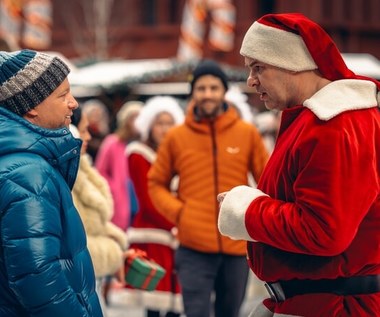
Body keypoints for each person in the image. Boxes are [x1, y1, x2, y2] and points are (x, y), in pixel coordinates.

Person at [217, 13, 380, 317]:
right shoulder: (318, 120)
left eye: (258, 67)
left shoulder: (335, 122)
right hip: (317, 301)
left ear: (292, 63)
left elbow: (324, 230)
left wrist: (247, 210)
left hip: (334, 305)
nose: (251, 81)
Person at [148, 60, 269, 317]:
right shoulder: (177, 137)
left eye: (214, 88)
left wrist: (254, 216)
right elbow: (155, 182)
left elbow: (268, 180)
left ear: (223, 91)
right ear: (193, 92)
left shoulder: (246, 133)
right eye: (201, 88)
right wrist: (180, 213)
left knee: (230, 312)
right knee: (196, 312)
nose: (208, 94)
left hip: (236, 245)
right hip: (193, 248)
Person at [0, 49, 102, 317]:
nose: (74, 103)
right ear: (31, 107)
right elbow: (39, 277)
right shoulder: (28, 174)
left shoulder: (26, 163)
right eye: (63, 95)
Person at [126, 96, 185, 317]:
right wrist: (176, 224)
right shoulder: (139, 154)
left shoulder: (177, 154)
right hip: (154, 233)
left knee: (174, 302)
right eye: (159, 123)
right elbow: (148, 201)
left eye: (169, 123)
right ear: (149, 126)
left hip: (176, 232)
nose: (164, 128)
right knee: (155, 301)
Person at [69, 106, 129, 316]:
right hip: (77, 283)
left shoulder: (82, 168)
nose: (88, 136)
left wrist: (118, 242)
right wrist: (115, 254)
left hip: (89, 279)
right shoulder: (69, 174)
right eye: (83, 130)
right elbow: (76, 240)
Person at [95, 100, 143, 303]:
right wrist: (114, 187)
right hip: (119, 203)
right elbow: (99, 171)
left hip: (137, 202)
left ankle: (130, 286)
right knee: (114, 245)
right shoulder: (113, 142)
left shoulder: (143, 144)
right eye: (133, 118)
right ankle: (105, 289)